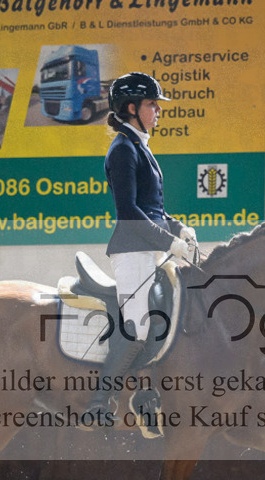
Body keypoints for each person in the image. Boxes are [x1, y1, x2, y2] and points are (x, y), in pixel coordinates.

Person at [80, 72, 196, 427]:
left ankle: (145, 395)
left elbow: (153, 209)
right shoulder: (123, 149)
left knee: (164, 317)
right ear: (131, 108)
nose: (158, 110)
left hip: (150, 250)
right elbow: (129, 211)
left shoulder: (140, 146)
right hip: (132, 251)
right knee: (136, 328)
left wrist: (178, 228)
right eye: (151, 104)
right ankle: (99, 402)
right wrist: (168, 242)